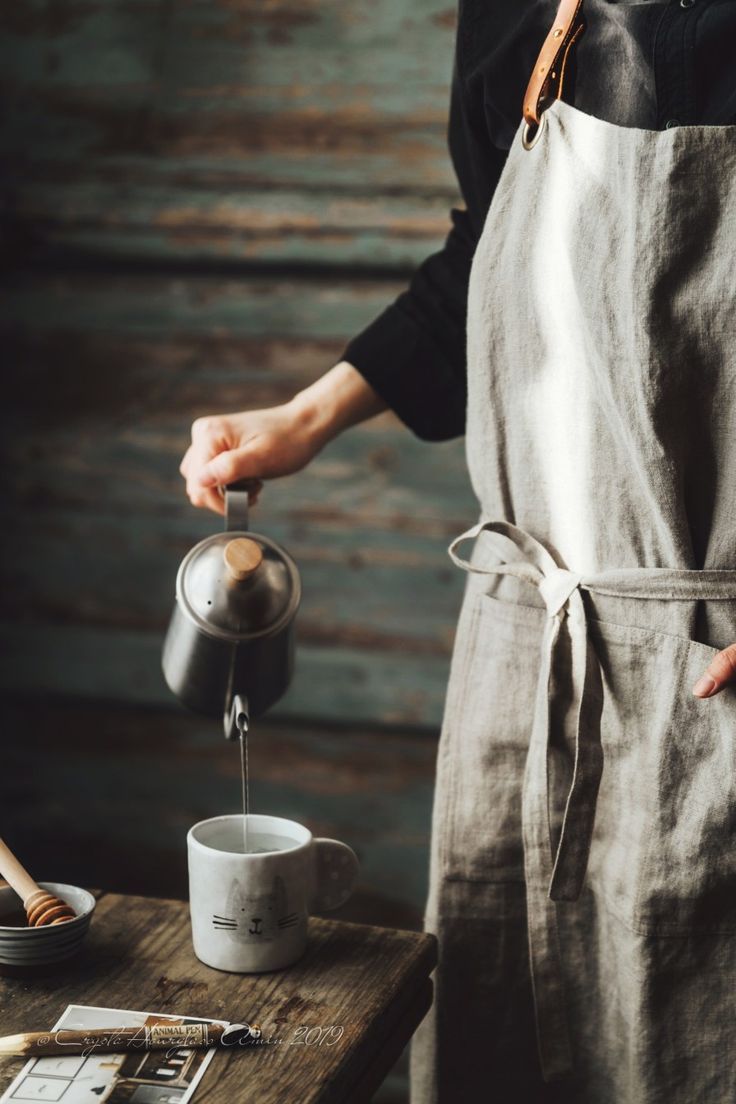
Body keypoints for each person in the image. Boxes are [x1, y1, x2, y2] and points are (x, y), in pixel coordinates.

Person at [180, 1, 736, 1100]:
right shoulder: (518, 14)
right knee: (500, 1032)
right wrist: (309, 414)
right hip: (526, 639)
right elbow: (488, 247)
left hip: (708, 662)